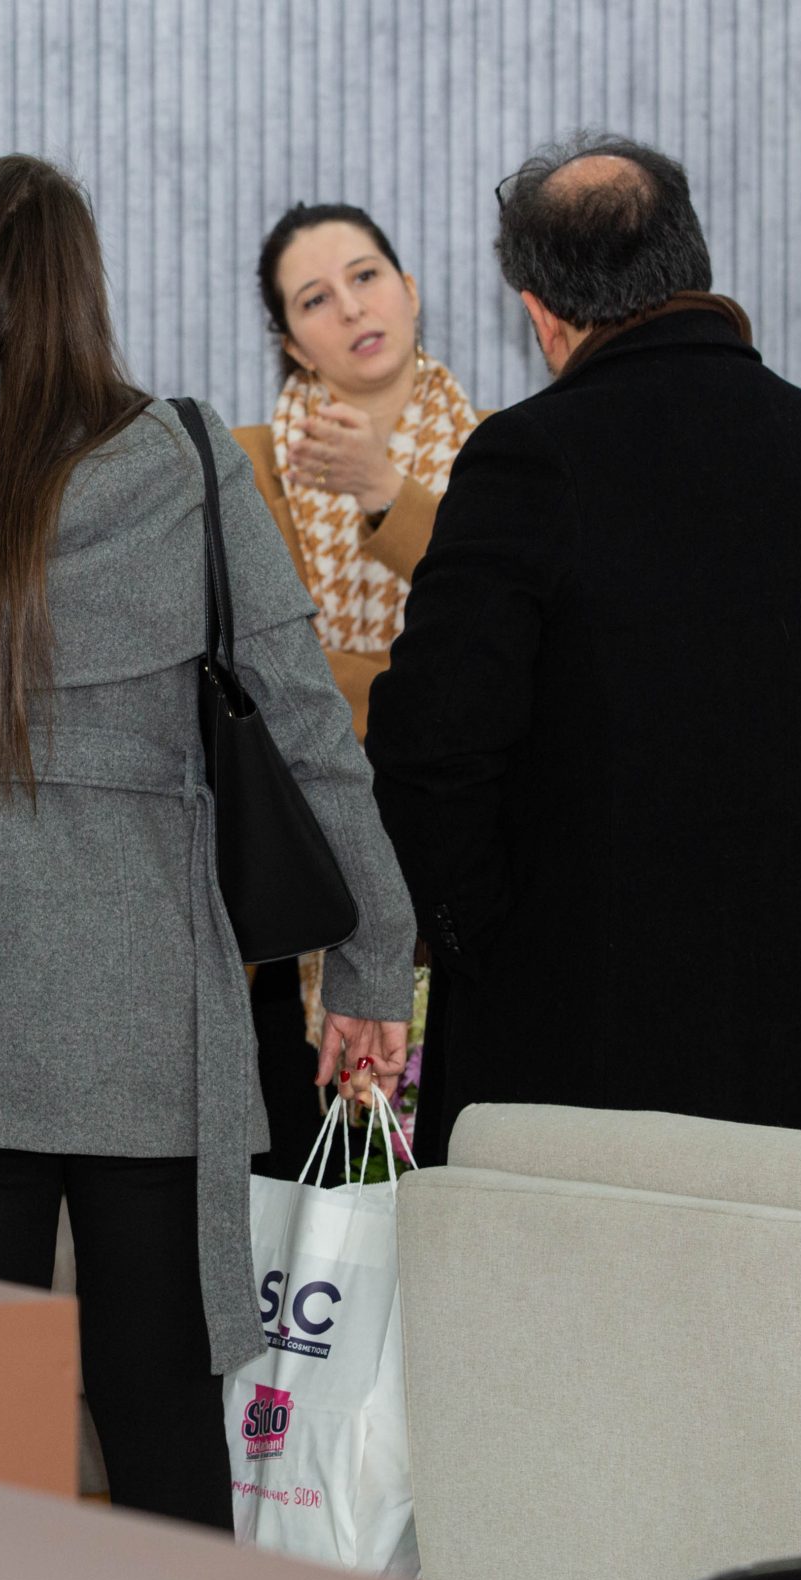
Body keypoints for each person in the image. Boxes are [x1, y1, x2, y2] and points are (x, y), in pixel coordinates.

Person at [0, 156, 415, 1529]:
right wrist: (371, 961)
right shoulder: (180, 463)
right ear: (81, 291)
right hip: (139, 997)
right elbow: (306, 733)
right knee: (162, 1413)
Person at [363, 133, 801, 1165]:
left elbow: (428, 754)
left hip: (593, 1078)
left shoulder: (527, 462)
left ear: (540, 314)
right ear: (693, 260)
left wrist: (483, 950)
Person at [234, 202, 481, 1174]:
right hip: (297, 891)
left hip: (461, 880)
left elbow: (528, 657)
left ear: (410, 290)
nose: (350, 307)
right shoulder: (246, 470)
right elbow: (259, 692)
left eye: (366, 275)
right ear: (293, 345)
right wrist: (411, 690)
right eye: (314, 298)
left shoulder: (507, 453)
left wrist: (390, 497)